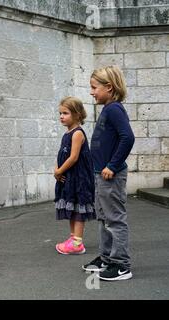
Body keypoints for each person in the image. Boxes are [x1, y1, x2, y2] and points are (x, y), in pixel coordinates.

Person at [82, 65, 135, 281]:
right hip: (101, 175)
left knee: (114, 219)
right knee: (104, 218)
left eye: (94, 87)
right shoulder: (108, 108)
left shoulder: (114, 109)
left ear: (109, 88)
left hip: (110, 175)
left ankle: (122, 265)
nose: (92, 92)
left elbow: (127, 138)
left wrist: (112, 165)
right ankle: (106, 258)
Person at [54, 97, 96, 255]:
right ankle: (73, 238)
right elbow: (62, 154)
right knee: (71, 207)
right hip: (69, 178)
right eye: (60, 113)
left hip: (79, 178)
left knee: (78, 207)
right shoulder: (67, 133)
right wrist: (56, 168)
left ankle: (78, 243)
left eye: (65, 113)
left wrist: (59, 171)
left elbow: (73, 157)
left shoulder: (77, 133)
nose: (61, 116)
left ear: (77, 115)